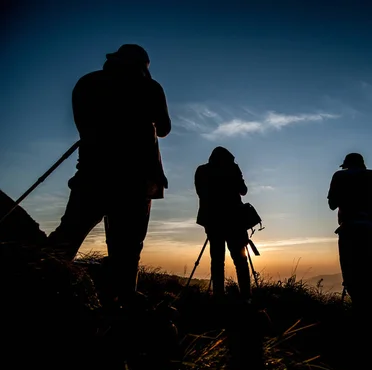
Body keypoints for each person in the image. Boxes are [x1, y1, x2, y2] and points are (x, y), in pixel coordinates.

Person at [46, 44, 171, 306]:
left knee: (69, 234)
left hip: (93, 174)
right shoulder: (150, 87)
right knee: (128, 246)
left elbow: (83, 126)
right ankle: (124, 299)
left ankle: (40, 281)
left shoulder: (87, 83)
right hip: (135, 180)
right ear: (142, 66)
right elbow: (164, 129)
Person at [327, 153, 372, 318]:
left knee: (351, 268)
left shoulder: (339, 176)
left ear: (346, 165)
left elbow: (332, 204)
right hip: (371, 229)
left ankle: (358, 309)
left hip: (349, 229)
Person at [194, 146, 252, 301]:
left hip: (212, 221)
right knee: (240, 260)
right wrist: (236, 174)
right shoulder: (231, 169)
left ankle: (219, 296)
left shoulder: (201, 171)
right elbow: (243, 190)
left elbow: (201, 193)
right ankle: (246, 297)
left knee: (217, 260)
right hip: (234, 221)